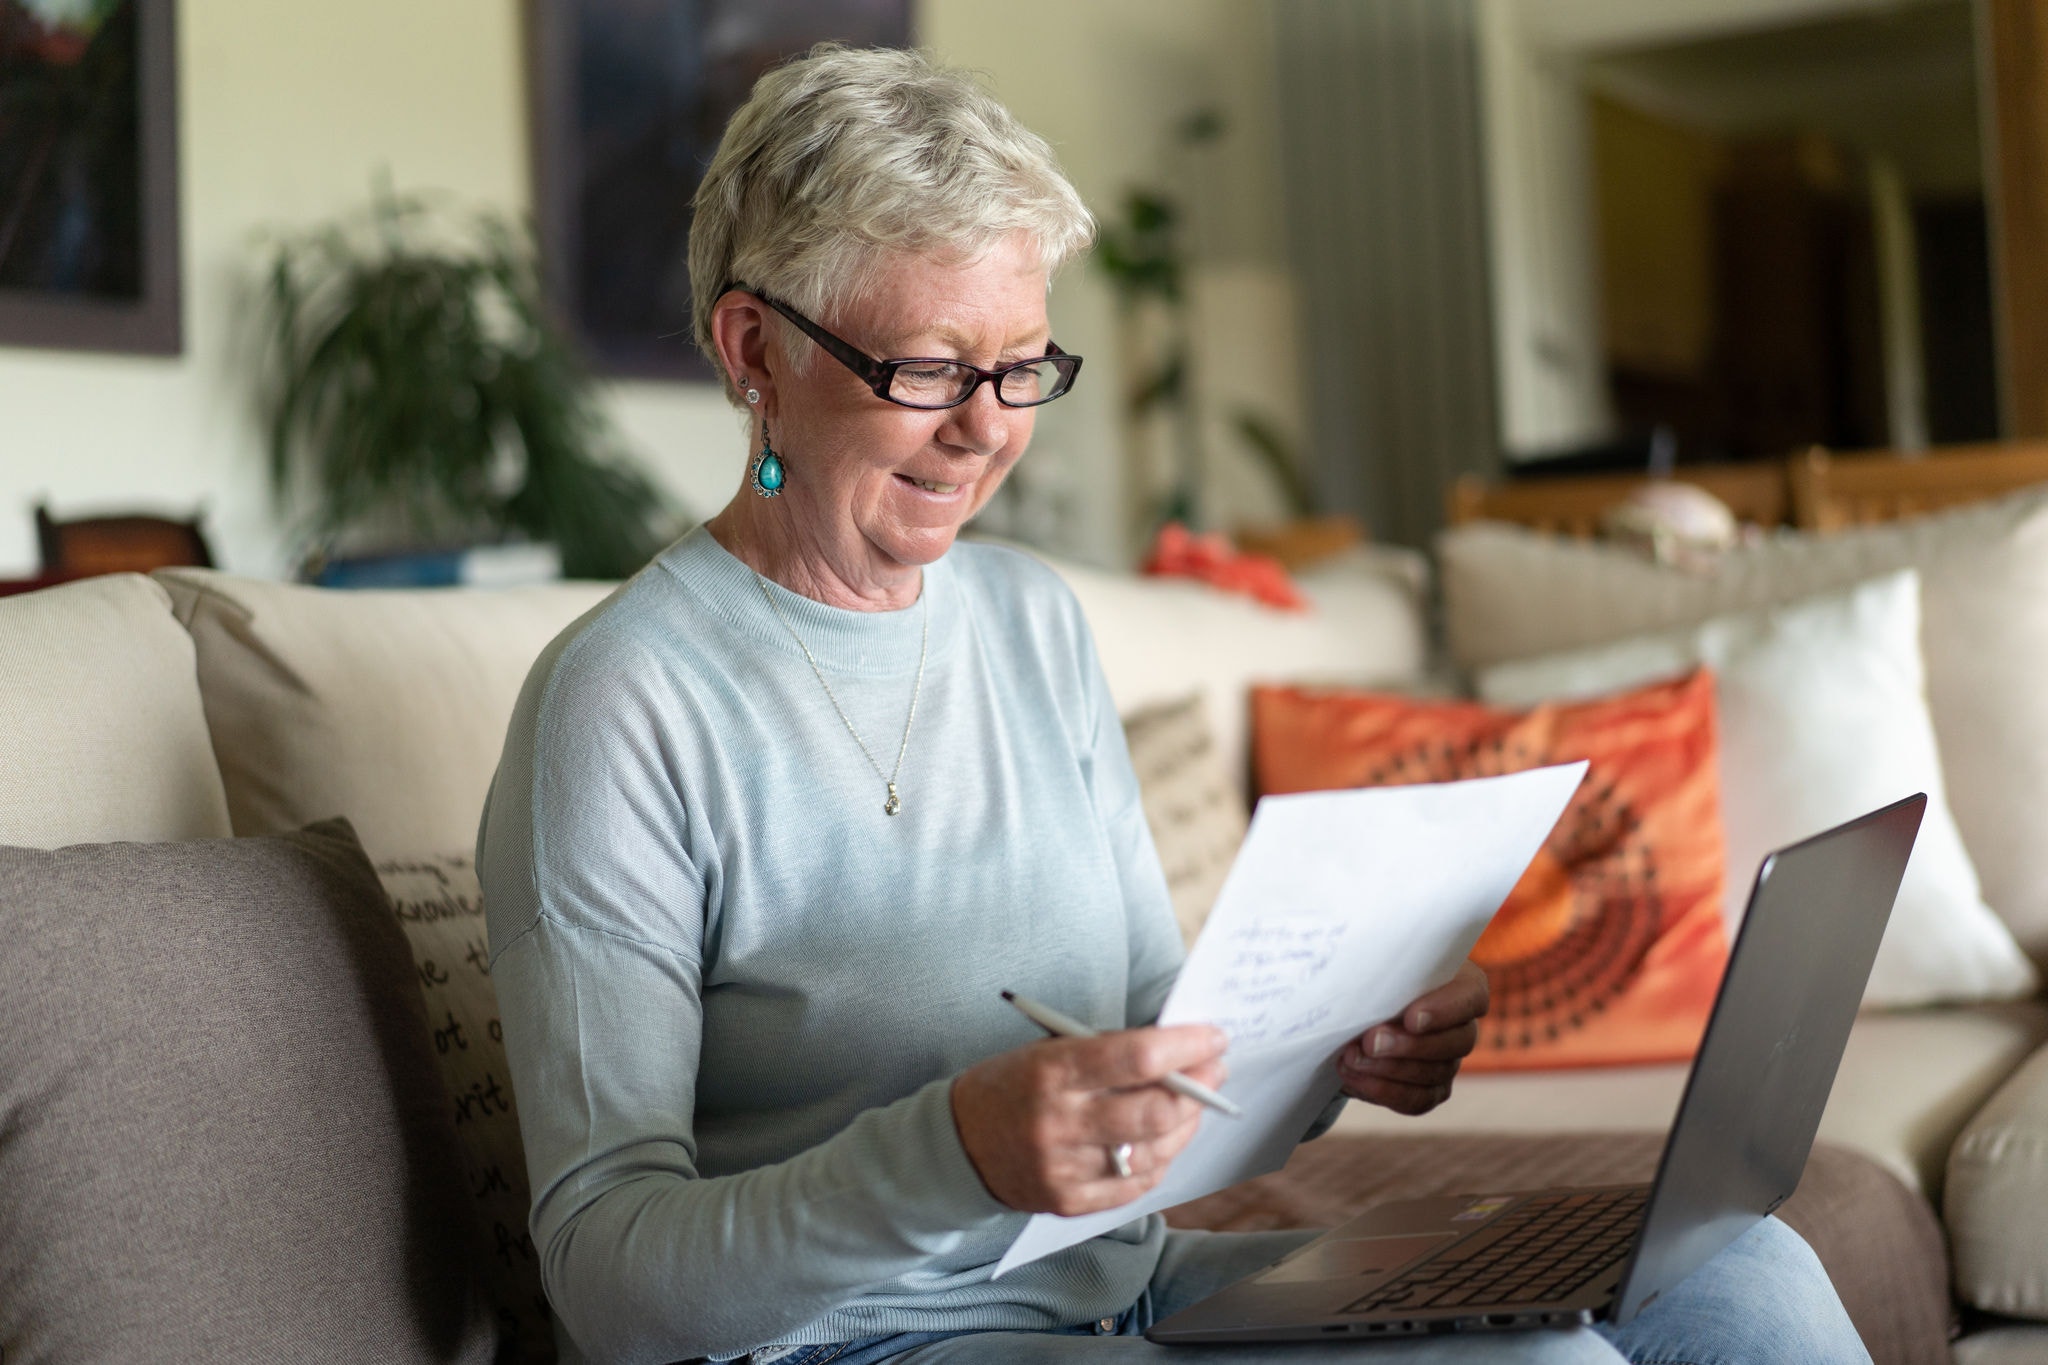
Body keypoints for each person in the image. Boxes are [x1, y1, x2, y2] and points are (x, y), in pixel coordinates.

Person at [477, 43, 1871, 1365]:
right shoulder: (623, 704)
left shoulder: (1031, 621)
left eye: (1021, 366)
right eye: (927, 369)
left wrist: (1341, 1047)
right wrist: (948, 1154)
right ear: (752, 350)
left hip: (1127, 1291)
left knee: (1743, 1266)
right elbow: (605, 1273)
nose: (985, 427)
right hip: (861, 1339)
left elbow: (1162, 1036)